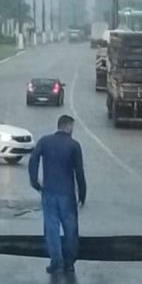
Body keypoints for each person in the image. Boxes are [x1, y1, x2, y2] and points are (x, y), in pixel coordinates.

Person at [29, 115, 87, 274]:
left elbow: (33, 159)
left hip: (49, 192)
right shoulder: (74, 145)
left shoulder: (45, 141)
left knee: (51, 229)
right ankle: (69, 262)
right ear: (68, 127)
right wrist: (82, 193)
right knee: (70, 229)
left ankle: (56, 261)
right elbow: (79, 172)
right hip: (67, 194)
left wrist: (34, 181)